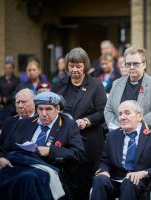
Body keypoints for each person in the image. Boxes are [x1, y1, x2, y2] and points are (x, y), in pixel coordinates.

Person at [0, 91, 85, 200]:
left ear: (57, 109)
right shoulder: (24, 123)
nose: (43, 113)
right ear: (36, 109)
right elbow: (5, 146)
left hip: (46, 169)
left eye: (48, 109)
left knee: (28, 179)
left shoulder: (68, 125)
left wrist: (50, 151)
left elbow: (78, 154)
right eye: (40, 109)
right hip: (19, 165)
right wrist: (0, 157)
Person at [52, 47, 107, 199]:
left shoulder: (96, 85)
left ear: (85, 66)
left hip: (88, 143)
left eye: (79, 66)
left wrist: (87, 121)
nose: (74, 69)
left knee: (84, 186)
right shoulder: (59, 84)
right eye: (71, 65)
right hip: (63, 142)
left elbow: (103, 112)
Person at [91, 100, 151, 200]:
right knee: (99, 180)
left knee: (130, 182)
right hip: (117, 180)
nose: (122, 117)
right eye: (120, 114)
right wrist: (105, 171)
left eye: (127, 113)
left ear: (139, 116)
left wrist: (143, 173)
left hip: (143, 184)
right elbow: (105, 161)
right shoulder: (113, 135)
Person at [104, 45, 151, 129]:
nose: (132, 67)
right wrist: (118, 127)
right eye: (128, 64)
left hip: (146, 134)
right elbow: (108, 109)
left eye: (136, 64)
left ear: (144, 64)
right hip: (119, 133)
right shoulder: (116, 84)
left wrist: (137, 127)